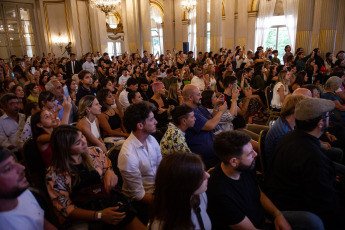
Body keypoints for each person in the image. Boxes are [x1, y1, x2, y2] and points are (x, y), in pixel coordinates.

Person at [207, 130, 324, 230]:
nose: (255, 154)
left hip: (264, 217)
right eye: (249, 153)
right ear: (233, 161)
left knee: (313, 221)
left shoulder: (245, 167)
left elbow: (258, 192)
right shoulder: (220, 194)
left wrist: (277, 214)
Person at [265, 98, 345, 230]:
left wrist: (328, 178)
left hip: (287, 195)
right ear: (320, 123)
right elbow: (325, 203)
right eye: (327, 116)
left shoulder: (291, 137)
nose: (329, 119)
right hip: (295, 205)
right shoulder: (311, 155)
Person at [45, 125, 145, 229]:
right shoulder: (55, 174)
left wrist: (109, 172)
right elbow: (67, 210)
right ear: (65, 149)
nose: (84, 142)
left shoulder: (94, 152)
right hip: (83, 213)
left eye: (82, 137)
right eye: (78, 143)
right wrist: (99, 215)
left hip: (105, 201)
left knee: (125, 214)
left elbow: (107, 166)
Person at [118, 101, 162, 224]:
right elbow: (138, 195)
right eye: (152, 119)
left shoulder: (151, 139)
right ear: (140, 126)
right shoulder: (128, 155)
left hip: (157, 190)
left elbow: (161, 168)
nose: (156, 122)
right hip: (140, 202)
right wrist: (165, 201)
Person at [149, 152, 211, 230]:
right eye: (200, 174)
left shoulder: (200, 195)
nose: (208, 175)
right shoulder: (161, 226)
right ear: (185, 185)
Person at [0, 147, 57, 230]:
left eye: (15, 162)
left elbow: (41, 222)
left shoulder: (23, 192)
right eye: (8, 169)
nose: (22, 168)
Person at [183, 84, 227, 169]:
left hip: (218, 141)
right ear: (190, 97)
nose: (201, 97)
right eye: (198, 95)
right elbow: (210, 125)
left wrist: (216, 106)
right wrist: (221, 111)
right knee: (242, 147)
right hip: (210, 155)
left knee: (244, 141)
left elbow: (211, 118)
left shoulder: (197, 105)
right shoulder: (188, 112)